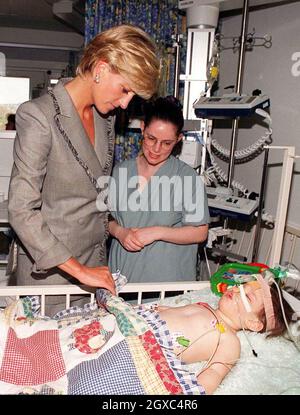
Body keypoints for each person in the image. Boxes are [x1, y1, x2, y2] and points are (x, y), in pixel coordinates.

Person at [7, 24, 160, 316]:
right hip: (50, 273)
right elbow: (21, 210)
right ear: (101, 68)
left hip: (95, 267)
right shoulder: (39, 116)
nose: (126, 103)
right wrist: (79, 271)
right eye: (125, 89)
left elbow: (96, 192)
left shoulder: (106, 118)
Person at [108, 96, 210, 283]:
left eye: (166, 143)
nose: (156, 149)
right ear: (142, 128)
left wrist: (157, 232)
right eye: (151, 138)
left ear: (178, 139)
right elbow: (107, 219)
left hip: (165, 283)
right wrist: (120, 233)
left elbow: (200, 232)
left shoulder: (187, 178)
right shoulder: (121, 171)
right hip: (121, 278)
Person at [156, 277, 294, 394]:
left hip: (152, 345)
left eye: (246, 296)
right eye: (240, 286)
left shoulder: (229, 341)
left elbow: (214, 372)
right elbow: (172, 312)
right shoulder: (204, 306)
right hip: (141, 321)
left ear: (253, 323)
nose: (235, 290)